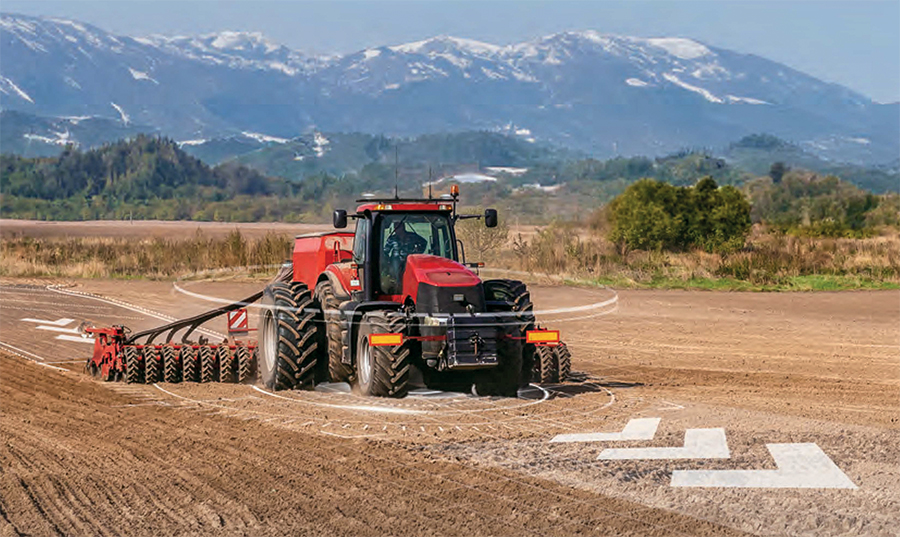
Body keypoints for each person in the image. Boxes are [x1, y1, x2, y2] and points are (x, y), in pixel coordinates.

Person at [381, 221, 426, 293]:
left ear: (403, 227)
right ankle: (398, 287)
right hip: (396, 260)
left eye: (398, 227)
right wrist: (387, 261)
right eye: (395, 227)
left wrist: (418, 252)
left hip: (409, 259)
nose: (396, 229)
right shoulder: (392, 238)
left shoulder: (412, 236)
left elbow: (424, 242)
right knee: (396, 273)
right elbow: (385, 251)